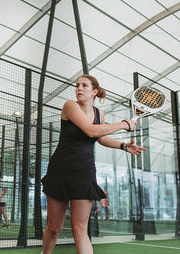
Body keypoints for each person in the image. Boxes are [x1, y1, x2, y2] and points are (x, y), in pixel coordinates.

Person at [41, 75, 146, 254]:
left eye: (84, 85)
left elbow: (101, 137)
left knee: (79, 229)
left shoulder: (100, 114)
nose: (79, 89)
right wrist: (123, 124)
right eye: (77, 86)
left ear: (94, 91)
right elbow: (90, 131)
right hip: (60, 170)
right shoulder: (70, 106)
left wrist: (123, 146)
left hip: (84, 173)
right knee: (53, 228)